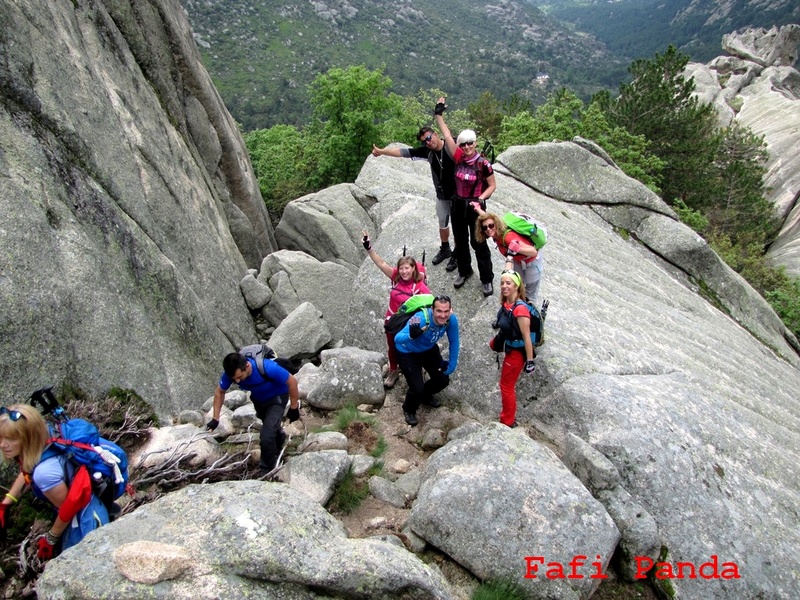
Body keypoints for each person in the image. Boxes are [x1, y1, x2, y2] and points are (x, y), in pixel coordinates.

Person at [0, 404, 109, 560]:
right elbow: (28, 469)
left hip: (86, 523)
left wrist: (50, 539)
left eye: (10, 439)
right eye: (0, 437)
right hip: (89, 508)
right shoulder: (46, 437)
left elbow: (68, 509)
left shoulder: (44, 473)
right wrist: (7, 502)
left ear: (29, 437)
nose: (2, 445)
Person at [372, 126, 459, 272]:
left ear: (436, 134)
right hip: (442, 195)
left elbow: (469, 149)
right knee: (442, 223)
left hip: (458, 196)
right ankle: (445, 249)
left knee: (457, 226)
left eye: (429, 138)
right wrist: (382, 152)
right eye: (424, 142)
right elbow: (403, 152)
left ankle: (457, 254)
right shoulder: (428, 152)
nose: (428, 143)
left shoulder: (451, 145)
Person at [434, 98, 496, 296]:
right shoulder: (459, 157)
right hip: (457, 204)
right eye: (464, 144)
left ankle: (486, 279)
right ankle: (464, 270)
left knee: (478, 242)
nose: (467, 146)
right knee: (460, 241)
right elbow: (446, 135)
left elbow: (493, 185)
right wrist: (438, 114)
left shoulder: (483, 163)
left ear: (475, 143)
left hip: (475, 207)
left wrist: (480, 199)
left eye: (470, 143)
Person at [206, 353, 300, 474]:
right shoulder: (232, 374)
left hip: (278, 398)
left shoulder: (268, 367)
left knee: (266, 436)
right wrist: (215, 418)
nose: (237, 380)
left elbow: (292, 381)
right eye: (234, 379)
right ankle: (279, 439)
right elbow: (220, 392)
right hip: (259, 400)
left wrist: (294, 407)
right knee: (269, 426)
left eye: (240, 376)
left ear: (248, 366)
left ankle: (267, 471)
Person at [362, 231, 431, 388]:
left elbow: (431, 302)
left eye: (407, 268)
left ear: (413, 269)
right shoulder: (395, 277)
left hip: (407, 322)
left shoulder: (419, 286)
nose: (404, 272)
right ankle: (394, 370)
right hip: (392, 318)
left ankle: (414, 372)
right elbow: (381, 264)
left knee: (409, 346)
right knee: (392, 346)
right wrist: (368, 248)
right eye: (402, 268)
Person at [394, 295, 460, 426]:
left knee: (443, 380)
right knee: (416, 388)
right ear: (432, 309)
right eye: (439, 311)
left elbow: (454, 341)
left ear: (450, 310)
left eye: (446, 311)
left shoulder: (450, 320)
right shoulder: (421, 319)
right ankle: (409, 409)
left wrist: (452, 364)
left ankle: (425, 395)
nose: (443, 315)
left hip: (428, 349)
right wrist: (411, 335)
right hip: (407, 351)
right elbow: (397, 338)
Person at [489, 271, 536, 427]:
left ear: (517, 286)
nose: (504, 286)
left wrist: (530, 361)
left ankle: (507, 421)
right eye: (502, 283)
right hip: (510, 347)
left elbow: (527, 336)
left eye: (508, 283)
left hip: (517, 354)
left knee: (506, 386)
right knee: (506, 385)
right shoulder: (508, 303)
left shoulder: (520, 310)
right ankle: (508, 419)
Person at [474, 210, 544, 305]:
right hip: (518, 260)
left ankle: (529, 314)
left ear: (496, 224)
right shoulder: (497, 234)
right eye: (484, 227)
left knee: (530, 294)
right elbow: (487, 220)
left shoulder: (508, 237)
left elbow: (533, 252)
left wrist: (518, 249)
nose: (488, 229)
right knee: (516, 285)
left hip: (532, 262)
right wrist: (478, 208)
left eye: (491, 225)